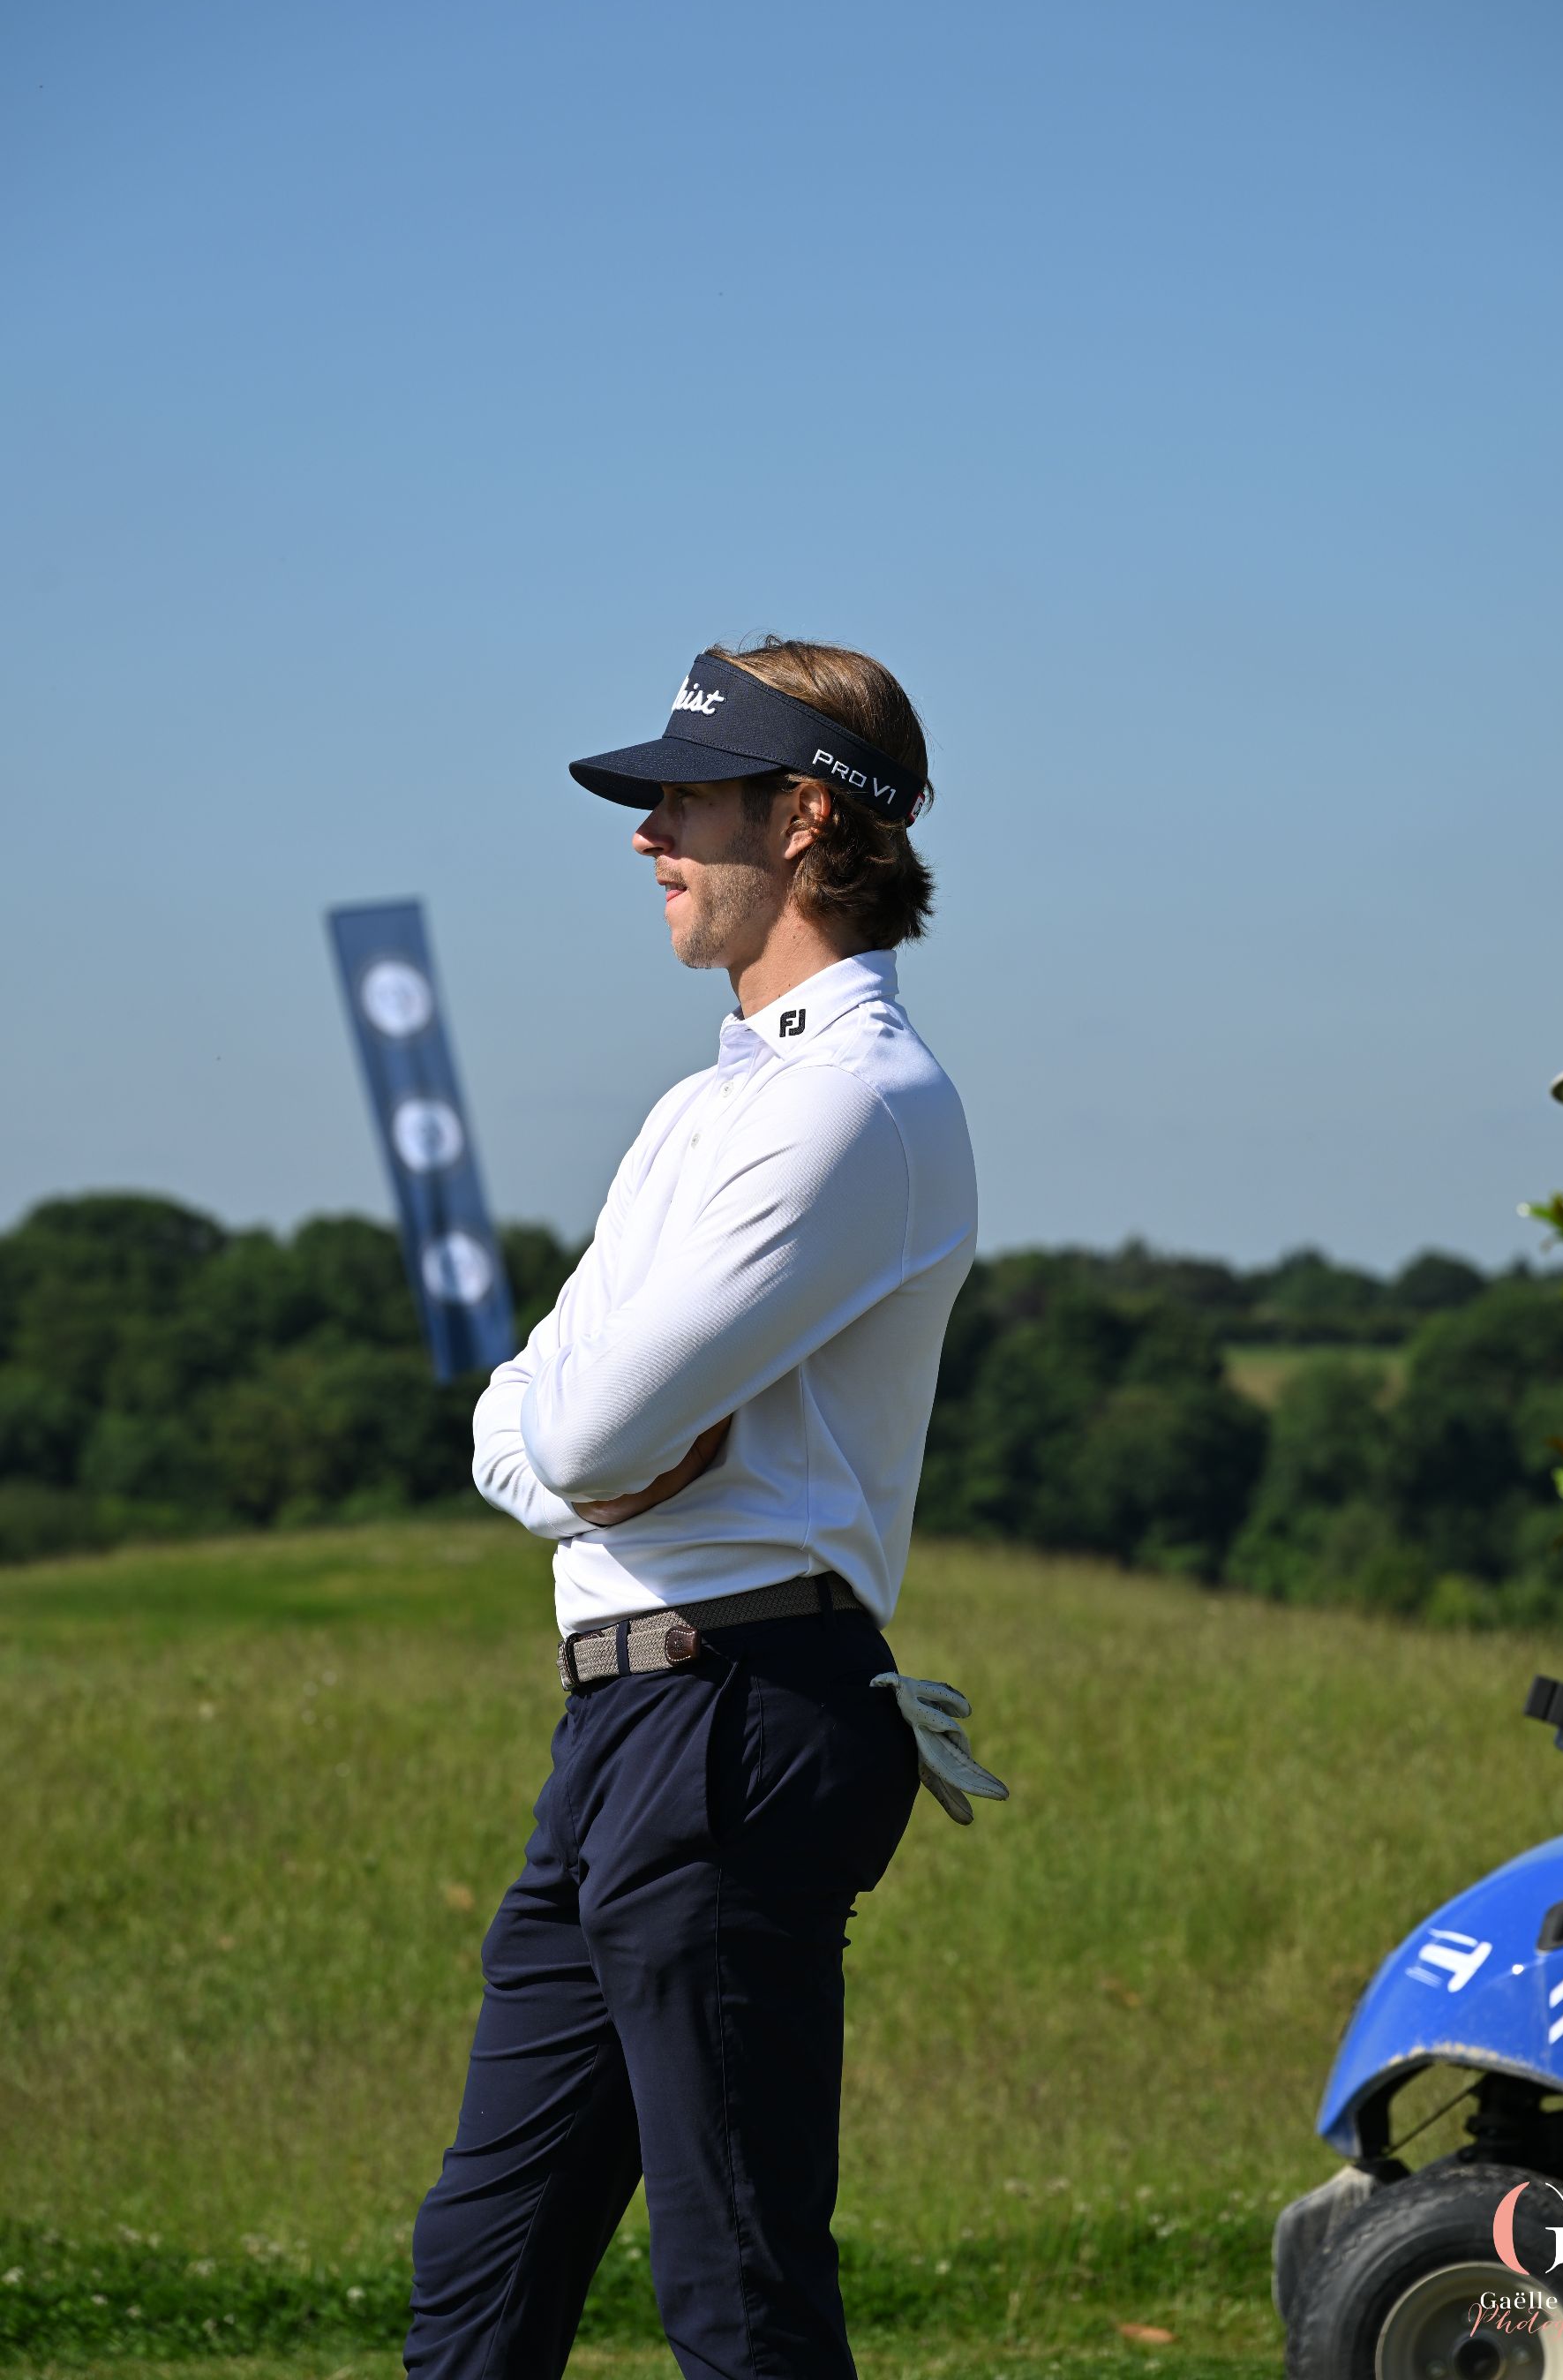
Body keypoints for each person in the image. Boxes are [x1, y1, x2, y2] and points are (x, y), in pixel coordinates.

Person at [405, 637, 979, 2380]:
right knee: (479, 2272)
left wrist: (570, 1447)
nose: (647, 833)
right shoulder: (712, 1105)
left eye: (687, 799)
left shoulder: (852, 1104)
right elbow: (536, 1426)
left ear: (803, 818)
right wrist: (570, 1455)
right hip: (633, 1723)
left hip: (733, 1714)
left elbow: (577, 1426)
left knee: (737, 2289)